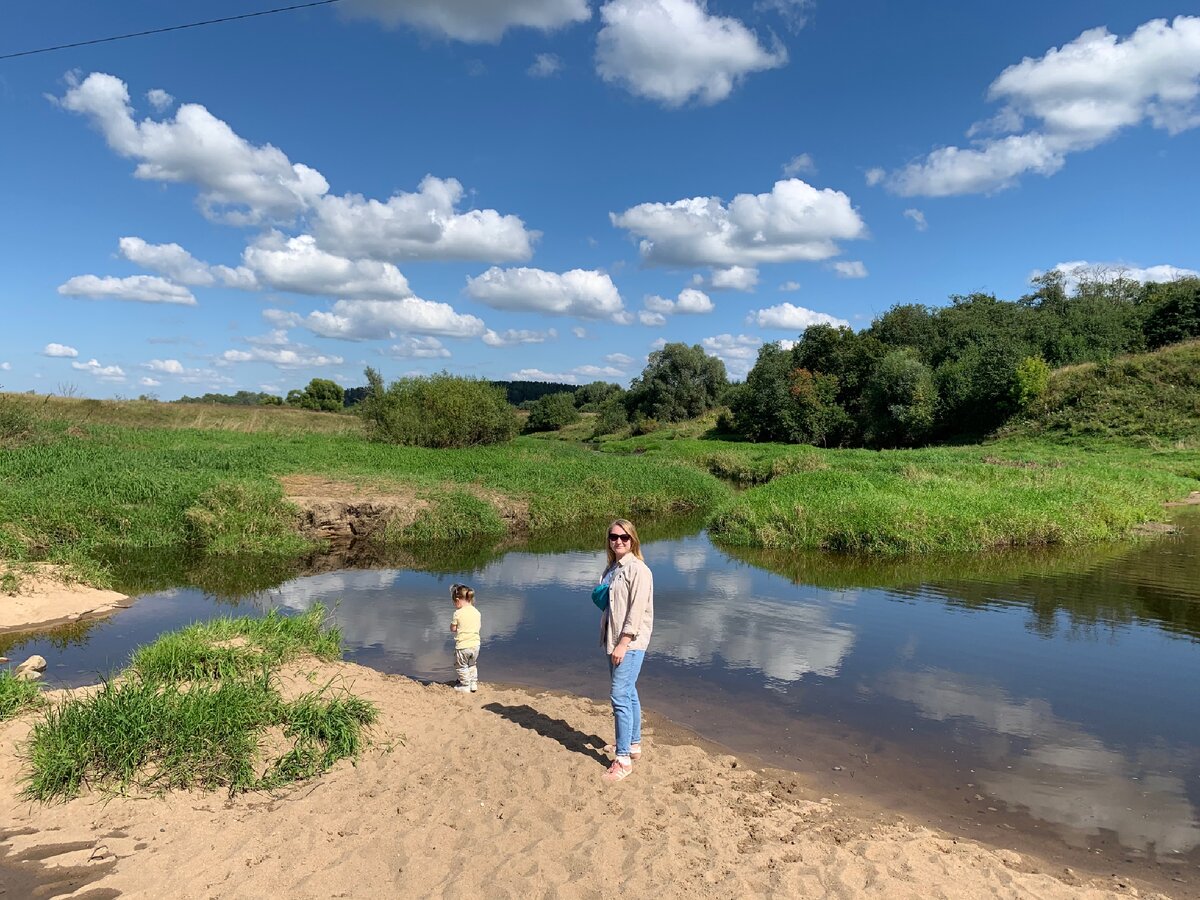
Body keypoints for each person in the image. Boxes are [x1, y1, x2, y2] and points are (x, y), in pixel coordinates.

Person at [595, 518, 654, 783]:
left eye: (624, 537)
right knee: (628, 692)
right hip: (613, 638)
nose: (618, 541)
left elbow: (637, 611)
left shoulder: (638, 570)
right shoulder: (613, 567)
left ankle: (623, 760)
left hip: (629, 642)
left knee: (619, 696)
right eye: (613, 537)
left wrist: (623, 642)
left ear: (633, 540)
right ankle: (633, 744)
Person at [449, 583, 481, 693]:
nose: (454, 605)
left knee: (461, 666)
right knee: (472, 664)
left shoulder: (458, 613)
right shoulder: (477, 612)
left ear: (458, 600)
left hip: (463, 646)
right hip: (476, 645)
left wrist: (452, 626)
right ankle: (473, 683)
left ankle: (465, 685)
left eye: (454, 602)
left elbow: (453, 628)